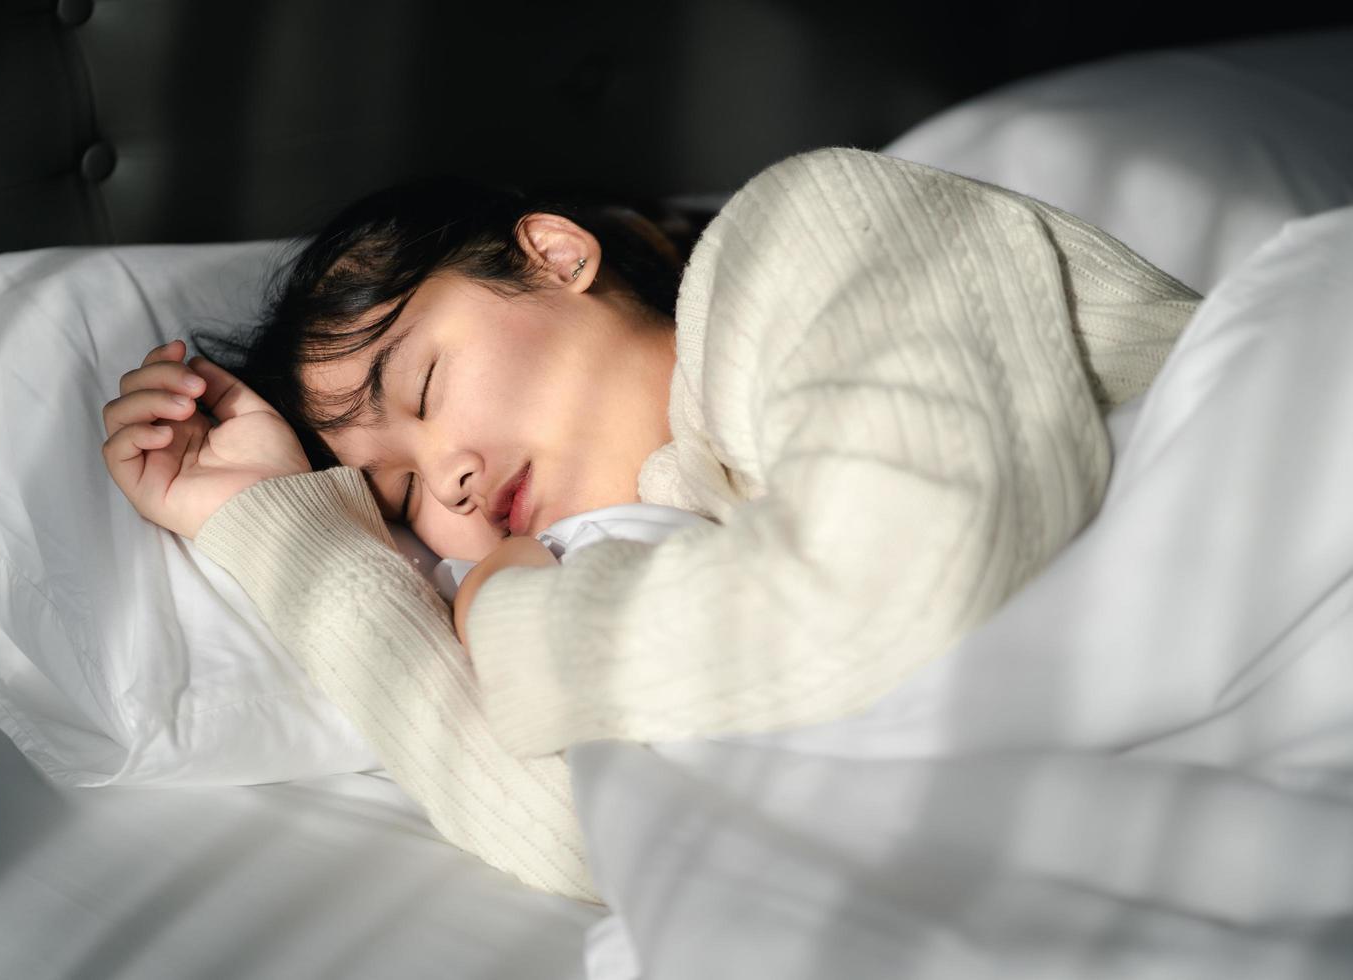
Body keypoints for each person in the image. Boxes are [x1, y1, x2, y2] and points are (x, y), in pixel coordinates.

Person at [101, 147, 1200, 903]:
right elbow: (585, 832)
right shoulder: (657, 549)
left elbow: (913, 576)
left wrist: (507, 613)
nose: (457, 480)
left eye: (427, 383)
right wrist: (269, 520)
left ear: (554, 253)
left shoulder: (807, 229)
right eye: (401, 500)